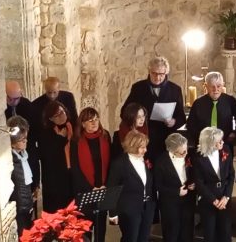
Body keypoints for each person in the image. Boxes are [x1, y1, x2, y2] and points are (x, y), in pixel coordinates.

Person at [121, 56, 187, 161]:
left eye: (161, 74)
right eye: (154, 73)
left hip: (166, 139)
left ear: (166, 73)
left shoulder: (175, 90)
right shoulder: (138, 88)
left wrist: (173, 122)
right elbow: (124, 112)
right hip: (143, 138)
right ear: (149, 71)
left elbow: (181, 117)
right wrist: (136, 118)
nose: (157, 77)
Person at [69, 107, 111, 242]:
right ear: (82, 123)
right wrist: (90, 188)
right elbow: (75, 169)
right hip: (85, 190)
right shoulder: (76, 141)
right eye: (90, 120)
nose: (94, 123)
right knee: (85, 229)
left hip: (103, 188)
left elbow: (110, 163)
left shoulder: (105, 136)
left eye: (96, 119)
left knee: (100, 229)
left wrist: (105, 185)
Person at [107, 131, 156, 242]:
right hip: (128, 210)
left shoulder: (145, 160)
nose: (145, 150)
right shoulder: (119, 164)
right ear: (132, 146)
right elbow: (111, 189)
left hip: (147, 207)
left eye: (145, 147)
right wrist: (113, 214)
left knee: (144, 238)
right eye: (142, 147)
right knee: (130, 239)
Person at [192, 127, 235, 242]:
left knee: (225, 232)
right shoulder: (197, 156)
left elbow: (231, 175)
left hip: (224, 196)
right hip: (208, 198)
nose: (223, 142)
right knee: (210, 233)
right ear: (210, 142)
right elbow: (199, 182)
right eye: (219, 141)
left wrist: (226, 196)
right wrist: (214, 200)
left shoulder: (225, 150)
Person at [154, 133, 196, 242]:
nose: (186, 153)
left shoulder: (190, 156)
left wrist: (193, 183)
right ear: (172, 150)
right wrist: (176, 192)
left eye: (186, 149)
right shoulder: (161, 162)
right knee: (172, 233)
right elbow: (158, 185)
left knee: (187, 232)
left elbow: (195, 174)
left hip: (188, 201)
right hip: (170, 204)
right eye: (182, 152)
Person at [186, 72, 236, 149]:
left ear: (223, 85)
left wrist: (234, 133)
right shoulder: (198, 103)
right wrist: (203, 139)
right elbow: (190, 125)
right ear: (206, 86)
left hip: (225, 144)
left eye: (219, 86)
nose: (215, 89)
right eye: (212, 86)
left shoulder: (230, 101)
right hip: (203, 145)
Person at [39, 100, 73, 213]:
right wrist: (60, 139)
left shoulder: (72, 127)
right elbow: (47, 155)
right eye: (56, 115)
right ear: (50, 119)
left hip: (71, 175)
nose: (61, 116)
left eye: (62, 112)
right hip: (55, 180)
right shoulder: (45, 133)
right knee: (57, 213)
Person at [5, 80, 41, 186]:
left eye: (16, 99)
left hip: (28, 148)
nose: (13, 102)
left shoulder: (27, 106)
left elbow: (35, 128)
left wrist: (24, 141)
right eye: (9, 98)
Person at [7, 117, 35, 235]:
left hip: (27, 205)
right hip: (18, 208)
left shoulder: (24, 156)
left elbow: (26, 183)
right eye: (21, 139)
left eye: (26, 138)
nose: (25, 141)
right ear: (12, 142)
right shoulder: (11, 160)